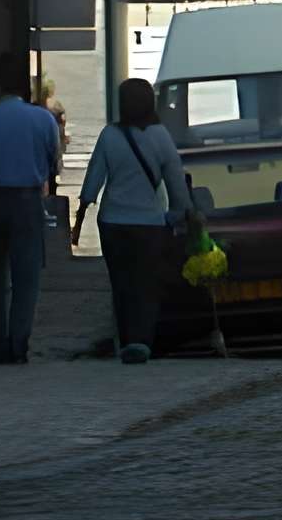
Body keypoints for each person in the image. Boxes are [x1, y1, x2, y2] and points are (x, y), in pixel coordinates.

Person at [72, 76, 197, 363]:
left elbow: (93, 181)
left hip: (112, 221)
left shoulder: (109, 135)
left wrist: (79, 220)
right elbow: (176, 182)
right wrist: (182, 215)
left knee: (121, 283)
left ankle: (124, 338)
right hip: (150, 224)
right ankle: (141, 342)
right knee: (147, 284)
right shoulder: (161, 136)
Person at [0, 50, 62, 365]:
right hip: (27, 199)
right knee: (27, 277)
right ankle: (19, 342)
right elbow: (53, 164)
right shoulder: (43, 119)